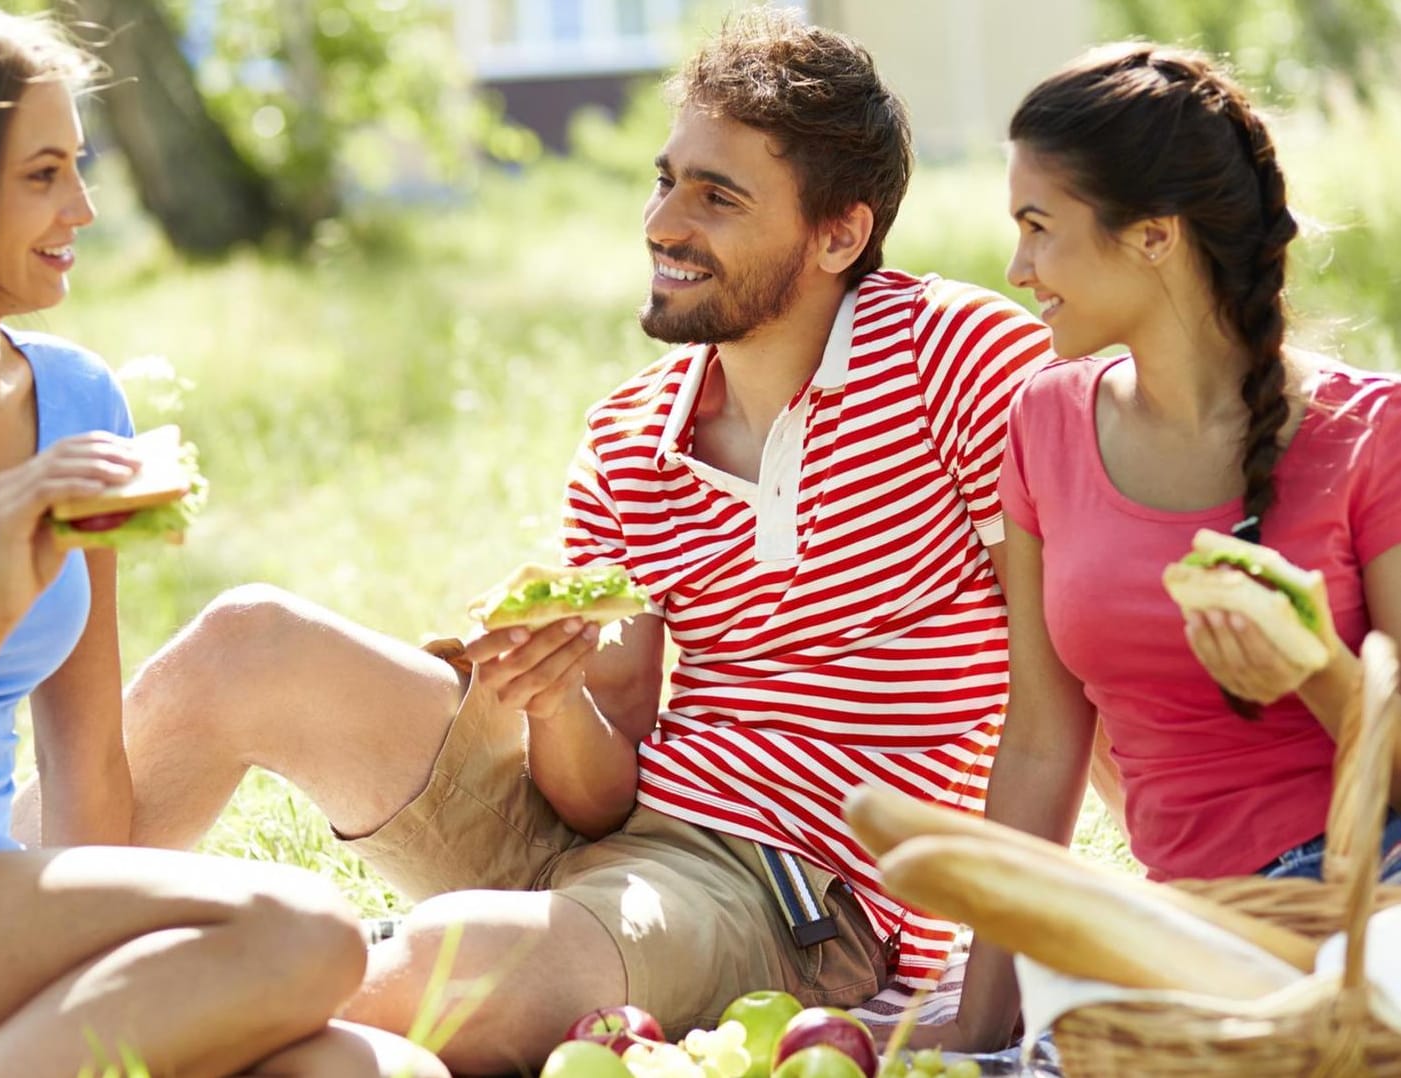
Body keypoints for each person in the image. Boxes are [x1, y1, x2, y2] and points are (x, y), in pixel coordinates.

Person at [115, 9, 1055, 1071]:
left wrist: (1014, 983)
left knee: (436, 972)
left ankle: (74, 1038)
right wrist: (552, 692)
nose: (663, 222)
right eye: (666, 180)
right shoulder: (630, 436)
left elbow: (1077, 664)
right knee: (250, 639)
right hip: (610, 840)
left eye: (717, 196)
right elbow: (598, 789)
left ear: (839, 233)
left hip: (793, 897)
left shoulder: (955, 359)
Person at [0, 3, 445, 1074]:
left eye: (80, 167)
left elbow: (84, 759)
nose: (85, 207)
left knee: (379, 1069)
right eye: (44, 174)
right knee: (307, 931)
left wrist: (93, 982)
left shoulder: (76, 398)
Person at [918, 43, 1401, 1052]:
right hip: (1189, 925)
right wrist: (979, 1032)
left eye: (1039, 229)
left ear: (1153, 236)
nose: (1017, 270)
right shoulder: (1042, 424)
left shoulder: (1372, 435)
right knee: (1084, 1001)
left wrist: (1315, 674)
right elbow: (1043, 744)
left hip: (1370, 900)